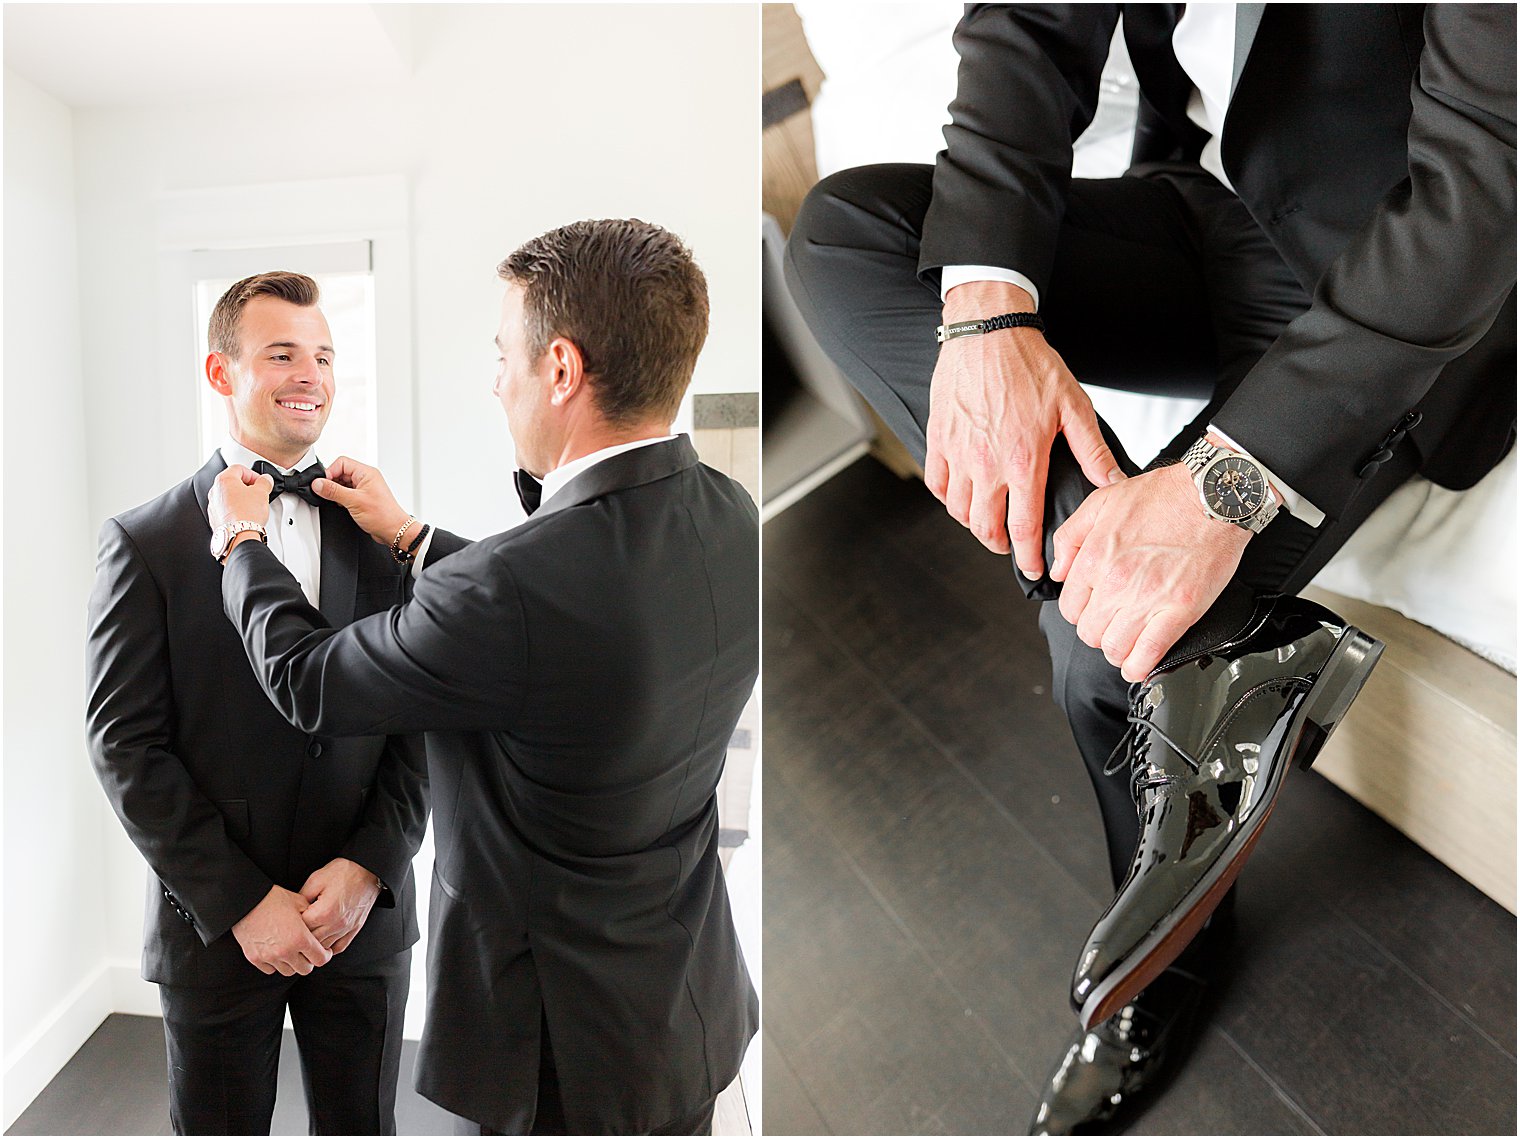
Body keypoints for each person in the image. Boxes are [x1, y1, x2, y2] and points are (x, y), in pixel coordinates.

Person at [784, 3, 1515, 1133]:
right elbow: (1029, 23)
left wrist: (1218, 485)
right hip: (1202, 195)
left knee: (1095, 648)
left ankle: (1168, 963)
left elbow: (1482, 184)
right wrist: (984, 317)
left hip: (1393, 271)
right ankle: (1211, 646)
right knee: (842, 234)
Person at [207, 219, 758, 1135]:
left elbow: (309, 680)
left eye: (505, 353)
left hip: (553, 1053)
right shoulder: (727, 511)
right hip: (682, 1006)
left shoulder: (507, 587)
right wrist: (417, 541)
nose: (497, 378)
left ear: (562, 370)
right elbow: (576, 620)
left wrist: (239, 542)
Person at [85, 272, 430, 1135]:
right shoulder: (147, 540)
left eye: (322, 355)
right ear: (220, 372)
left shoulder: (382, 530)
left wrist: (369, 866)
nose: (308, 373)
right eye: (281, 354)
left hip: (361, 919)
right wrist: (241, 900)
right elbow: (125, 745)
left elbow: (418, 718)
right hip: (215, 929)